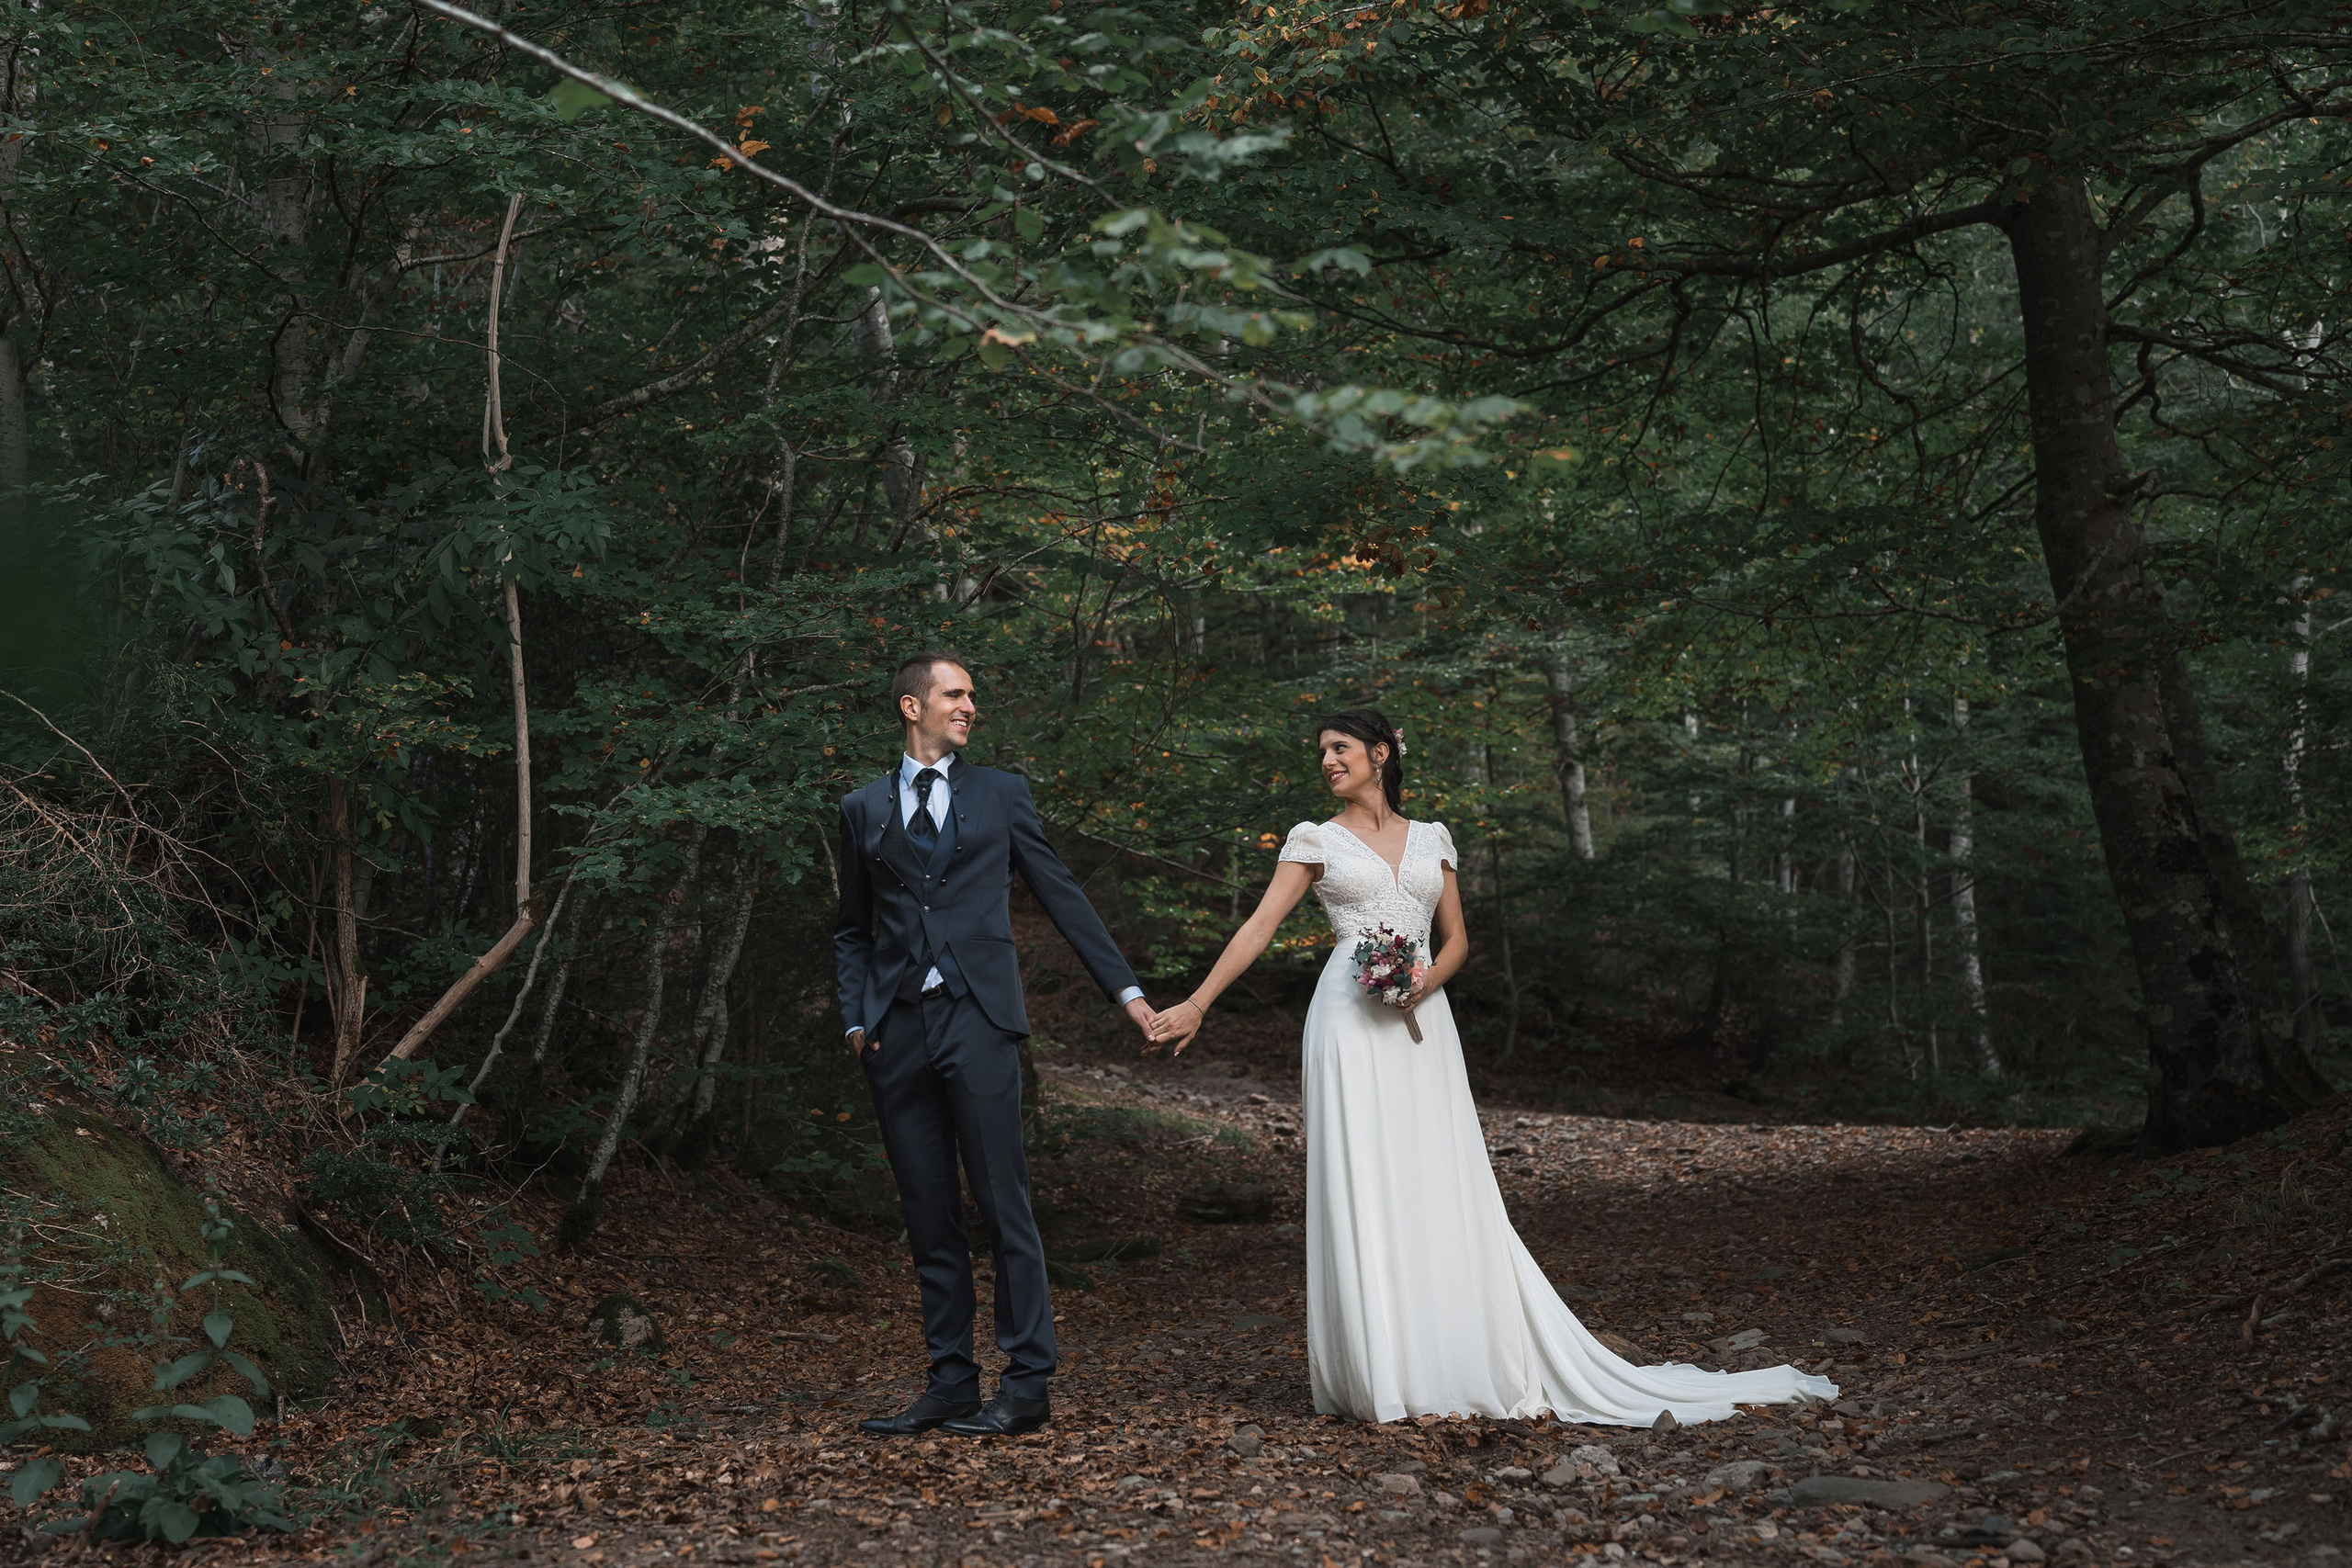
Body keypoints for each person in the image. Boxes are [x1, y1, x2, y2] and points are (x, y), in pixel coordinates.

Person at [1146, 708, 1838, 1425]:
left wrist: (1425, 980)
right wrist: (1198, 1002)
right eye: (1320, 750)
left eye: (1340, 747)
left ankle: (1453, 1352)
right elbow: (1260, 924)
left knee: (1440, 1177)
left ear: (1380, 754)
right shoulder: (1312, 839)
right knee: (1366, 1177)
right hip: (1348, 1023)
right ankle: (1381, 1369)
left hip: (1424, 1022)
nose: (1326, 760)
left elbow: (1457, 939)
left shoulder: (1432, 838)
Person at [834, 652, 1158, 1438]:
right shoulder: (860, 806)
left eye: (973, 694)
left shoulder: (1000, 792)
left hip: (979, 1021)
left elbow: (1062, 894)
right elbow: (852, 928)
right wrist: (855, 1020)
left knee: (1002, 1201)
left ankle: (1027, 1382)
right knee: (927, 1210)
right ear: (912, 706)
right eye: (955, 694)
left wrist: (1130, 993)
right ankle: (948, 1381)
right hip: (895, 1031)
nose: (970, 705)